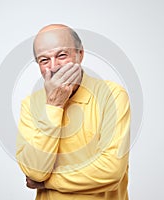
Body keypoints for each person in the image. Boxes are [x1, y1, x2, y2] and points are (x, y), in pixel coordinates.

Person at [16, 24, 130, 200]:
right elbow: (35, 172)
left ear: (80, 54)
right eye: (44, 60)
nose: (54, 67)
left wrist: (48, 182)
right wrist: (54, 105)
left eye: (61, 55)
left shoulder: (112, 96)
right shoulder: (30, 104)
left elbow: (111, 171)